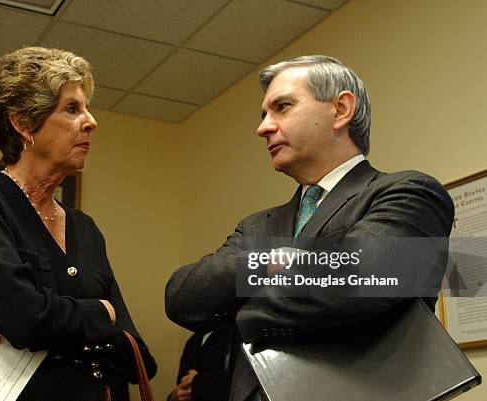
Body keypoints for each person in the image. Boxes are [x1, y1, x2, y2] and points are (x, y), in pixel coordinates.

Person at [165, 55, 454, 401]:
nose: (263, 128)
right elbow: (184, 296)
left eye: (282, 107)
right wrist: (271, 262)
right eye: (263, 115)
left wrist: (241, 310)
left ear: (341, 109)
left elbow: (354, 279)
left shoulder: (408, 193)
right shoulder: (257, 226)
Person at [0, 47, 156, 401]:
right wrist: (101, 313)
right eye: (71, 109)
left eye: (86, 108)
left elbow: (139, 357)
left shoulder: (85, 228)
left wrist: (38, 320)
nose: (91, 121)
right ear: (22, 124)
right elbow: (27, 319)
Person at [167, 319, 240, 401]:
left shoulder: (237, 333)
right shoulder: (193, 341)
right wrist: (174, 396)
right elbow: (181, 386)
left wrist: (198, 383)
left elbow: (243, 384)